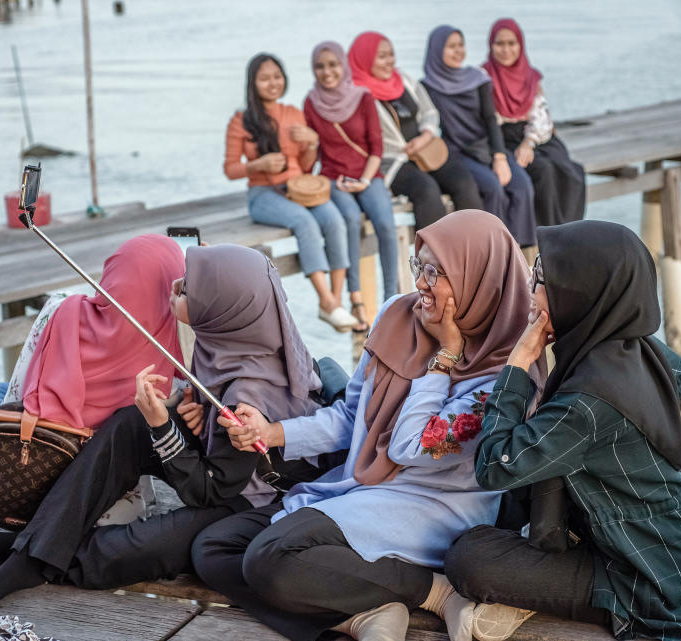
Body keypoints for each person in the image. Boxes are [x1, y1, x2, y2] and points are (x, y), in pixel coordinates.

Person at [191, 210, 546, 641]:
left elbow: (409, 448)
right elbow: (350, 416)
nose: (420, 282)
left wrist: (445, 357)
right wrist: (272, 433)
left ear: (480, 280)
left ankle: (435, 592)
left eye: (436, 272)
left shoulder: (505, 379)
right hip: (362, 488)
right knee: (214, 550)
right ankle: (361, 615)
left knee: (270, 558)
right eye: (420, 265)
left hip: (431, 510)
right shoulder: (398, 318)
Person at [0, 245, 328, 615]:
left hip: (251, 499)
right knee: (127, 424)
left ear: (219, 311)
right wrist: (193, 412)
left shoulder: (247, 398)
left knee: (139, 546)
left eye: (186, 289)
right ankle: (32, 546)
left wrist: (162, 424)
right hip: (226, 469)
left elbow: (209, 492)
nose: (175, 284)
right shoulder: (240, 342)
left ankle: (32, 558)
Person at [445, 220, 681, 641]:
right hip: (670, 546)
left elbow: (494, 464)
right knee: (503, 511)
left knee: (467, 557)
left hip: (643, 578)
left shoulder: (591, 400)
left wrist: (517, 364)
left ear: (582, 293)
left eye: (542, 280)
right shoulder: (643, 350)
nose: (530, 291)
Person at [0, 234, 189, 524]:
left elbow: (19, 397)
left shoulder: (64, 311)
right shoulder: (176, 347)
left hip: (28, 479)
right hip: (112, 509)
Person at [225, 53, 359, 332]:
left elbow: (308, 165)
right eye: (264, 78)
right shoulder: (242, 120)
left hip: (301, 189)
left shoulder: (294, 113)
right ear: (253, 83)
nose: (272, 83)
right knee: (304, 222)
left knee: (334, 219)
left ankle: (334, 299)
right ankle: (328, 302)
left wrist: (312, 144)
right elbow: (230, 169)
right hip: (263, 193)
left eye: (277, 76)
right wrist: (257, 165)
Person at [305, 40, 400, 326]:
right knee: (349, 218)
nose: (327, 72)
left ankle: (392, 298)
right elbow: (313, 154)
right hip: (334, 176)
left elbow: (376, 148)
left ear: (343, 65)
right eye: (320, 67)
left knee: (385, 224)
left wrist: (365, 181)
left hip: (368, 174)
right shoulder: (311, 102)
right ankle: (355, 295)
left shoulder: (363, 97)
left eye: (332, 64)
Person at [348, 32, 483, 231]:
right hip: (391, 161)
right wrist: (405, 149)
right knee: (427, 190)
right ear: (365, 58)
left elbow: (429, 111)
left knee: (463, 181)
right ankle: (433, 260)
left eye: (391, 55)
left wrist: (425, 136)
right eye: (381, 56)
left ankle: (474, 249)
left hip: (425, 150)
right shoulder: (355, 95)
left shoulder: (403, 80)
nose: (389, 62)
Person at [422, 25, 536, 249]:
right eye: (451, 47)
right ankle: (492, 251)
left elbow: (490, 120)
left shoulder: (477, 79)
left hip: (486, 147)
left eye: (461, 45)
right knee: (492, 187)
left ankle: (519, 253)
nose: (458, 51)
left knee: (523, 186)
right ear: (436, 50)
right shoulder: (427, 87)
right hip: (457, 152)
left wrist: (500, 157)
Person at [483, 18, 585, 227]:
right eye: (499, 44)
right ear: (491, 45)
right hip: (503, 138)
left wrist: (528, 142)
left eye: (512, 43)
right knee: (543, 170)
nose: (506, 50)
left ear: (521, 45)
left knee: (571, 172)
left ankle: (571, 232)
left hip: (534, 135)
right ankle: (550, 234)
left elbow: (541, 117)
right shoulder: (483, 77)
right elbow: (488, 119)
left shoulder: (531, 77)